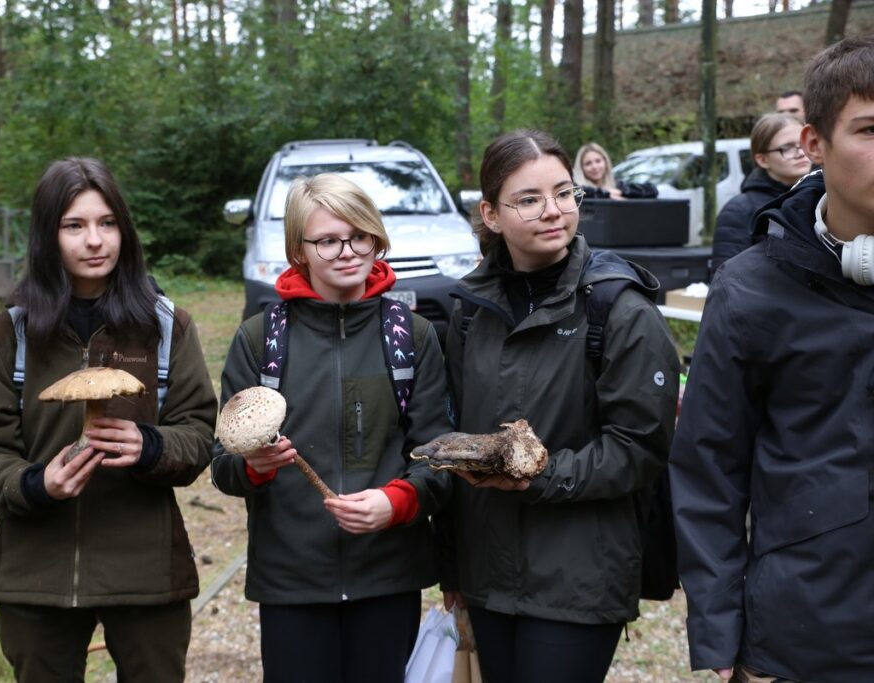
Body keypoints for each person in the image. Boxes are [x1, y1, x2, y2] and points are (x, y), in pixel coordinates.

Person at [0, 157, 218, 682]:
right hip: (37, 571)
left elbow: (198, 433)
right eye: (74, 226)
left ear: (124, 229)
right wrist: (35, 483)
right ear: (47, 236)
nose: (94, 240)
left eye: (107, 223)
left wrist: (150, 447)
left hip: (145, 571)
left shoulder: (166, 327)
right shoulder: (10, 335)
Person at [437, 130, 679, 683]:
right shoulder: (470, 312)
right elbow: (454, 437)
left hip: (580, 575)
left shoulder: (618, 308)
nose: (553, 211)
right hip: (487, 571)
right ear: (491, 214)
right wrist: (451, 563)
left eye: (565, 194)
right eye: (528, 199)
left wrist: (539, 475)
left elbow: (640, 448)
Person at [670, 36, 874, 682]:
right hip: (805, 640)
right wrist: (723, 641)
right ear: (813, 144)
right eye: (869, 129)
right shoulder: (752, 288)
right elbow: (709, 469)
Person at [210, 173, 453, 682]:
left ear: (376, 237)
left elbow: (440, 458)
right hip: (292, 580)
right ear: (299, 249)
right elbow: (222, 467)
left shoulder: (413, 337)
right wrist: (253, 467)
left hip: (388, 575)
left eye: (359, 235)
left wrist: (398, 501)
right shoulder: (261, 341)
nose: (347, 251)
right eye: (327, 240)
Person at [709, 112, 811, 277]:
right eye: (787, 148)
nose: (800, 153)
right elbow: (725, 280)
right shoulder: (741, 209)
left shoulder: (825, 199)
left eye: (803, 144)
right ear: (762, 160)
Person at [574, 141, 658, 200]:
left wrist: (621, 192)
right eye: (588, 163)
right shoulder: (578, 189)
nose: (594, 167)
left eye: (598, 161)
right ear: (581, 168)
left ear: (605, 162)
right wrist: (606, 194)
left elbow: (652, 190)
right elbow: (576, 194)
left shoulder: (617, 185)